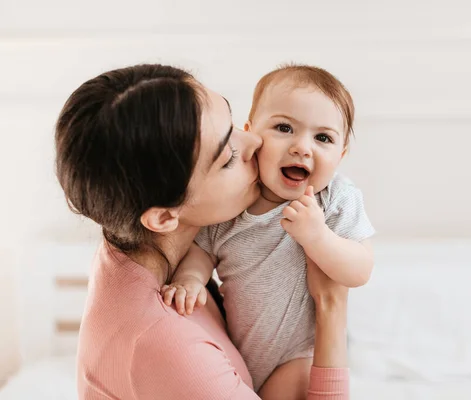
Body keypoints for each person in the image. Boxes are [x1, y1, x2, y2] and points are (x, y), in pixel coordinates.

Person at [55, 64, 351, 399]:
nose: (254, 141)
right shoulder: (172, 350)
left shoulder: (129, 243)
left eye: (231, 120)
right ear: (165, 217)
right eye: (227, 158)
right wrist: (331, 305)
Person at [163, 64, 375, 396]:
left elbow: (360, 268)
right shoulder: (233, 202)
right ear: (252, 133)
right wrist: (190, 278)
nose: (302, 147)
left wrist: (319, 238)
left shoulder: (334, 199)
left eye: (323, 138)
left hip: (298, 356)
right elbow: (201, 250)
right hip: (236, 354)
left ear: (341, 154)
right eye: (284, 127)